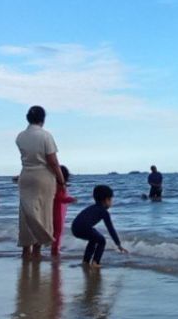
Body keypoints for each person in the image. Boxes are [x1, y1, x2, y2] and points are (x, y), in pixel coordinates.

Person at [15, 105, 66, 259]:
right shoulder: (45, 136)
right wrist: (61, 180)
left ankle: (25, 249)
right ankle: (38, 249)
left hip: (25, 175)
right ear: (42, 119)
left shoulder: (20, 136)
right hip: (43, 176)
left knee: (26, 213)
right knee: (43, 213)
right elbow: (52, 161)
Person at [70, 184, 128, 269]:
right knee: (102, 240)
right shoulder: (104, 212)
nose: (112, 202)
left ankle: (86, 261)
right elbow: (110, 229)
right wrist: (118, 244)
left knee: (94, 239)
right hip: (84, 227)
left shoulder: (92, 207)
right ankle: (96, 262)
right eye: (111, 199)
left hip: (75, 228)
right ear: (106, 200)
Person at [52, 166, 76, 256]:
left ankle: (55, 249)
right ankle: (55, 250)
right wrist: (71, 199)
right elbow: (60, 198)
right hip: (58, 212)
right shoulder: (59, 186)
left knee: (55, 232)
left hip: (55, 211)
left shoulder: (54, 185)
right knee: (58, 232)